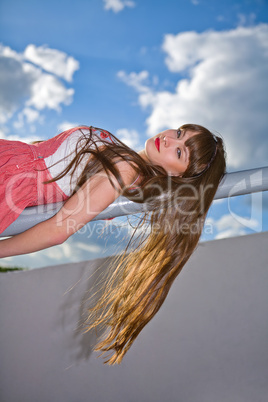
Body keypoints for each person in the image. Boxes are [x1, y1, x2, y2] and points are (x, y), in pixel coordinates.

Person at [0, 124, 226, 364]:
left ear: (178, 176)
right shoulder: (126, 159)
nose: (170, 139)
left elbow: (60, 228)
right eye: (180, 133)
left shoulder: (125, 168)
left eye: (180, 152)